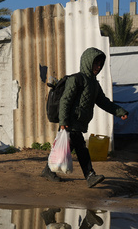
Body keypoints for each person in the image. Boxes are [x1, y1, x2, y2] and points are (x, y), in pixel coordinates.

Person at [42, 47, 128, 188]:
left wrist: (120, 112)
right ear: (88, 62)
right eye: (95, 63)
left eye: (100, 64)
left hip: (79, 122)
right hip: (70, 121)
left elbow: (103, 102)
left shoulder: (94, 84)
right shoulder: (76, 79)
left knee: (65, 147)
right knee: (81, 149)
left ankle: (48, 170)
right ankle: (90, 176)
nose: (98, 67)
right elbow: (65, 101)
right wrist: (63, 122)